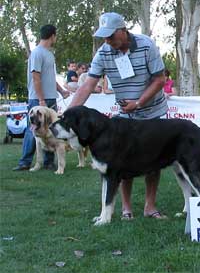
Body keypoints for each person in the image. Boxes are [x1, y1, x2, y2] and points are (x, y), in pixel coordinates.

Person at [70, 12, 168, 220]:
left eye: (111, 36)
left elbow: (160, 80)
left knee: (153, 161)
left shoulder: (146, 45)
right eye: (104, 37)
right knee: (121, 160)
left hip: (152, 111)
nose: (108, 41)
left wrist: (139, 103)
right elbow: (88, 85)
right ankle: (126, 208)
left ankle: (150, 206)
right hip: (126, 115)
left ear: (123, 30)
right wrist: (68, 114)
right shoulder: (104, 53)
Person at [13, 25, 70, 171]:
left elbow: (50, 78)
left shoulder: (49, 54)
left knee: (52, 129)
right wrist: (41, 100)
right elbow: (36, 77)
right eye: (55, 36)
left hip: (51, 98)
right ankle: (25, 162)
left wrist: (62, 91)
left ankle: (48, 162)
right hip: (38, 99)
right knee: (32, 129)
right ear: (52, 36)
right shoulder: (37, 53)